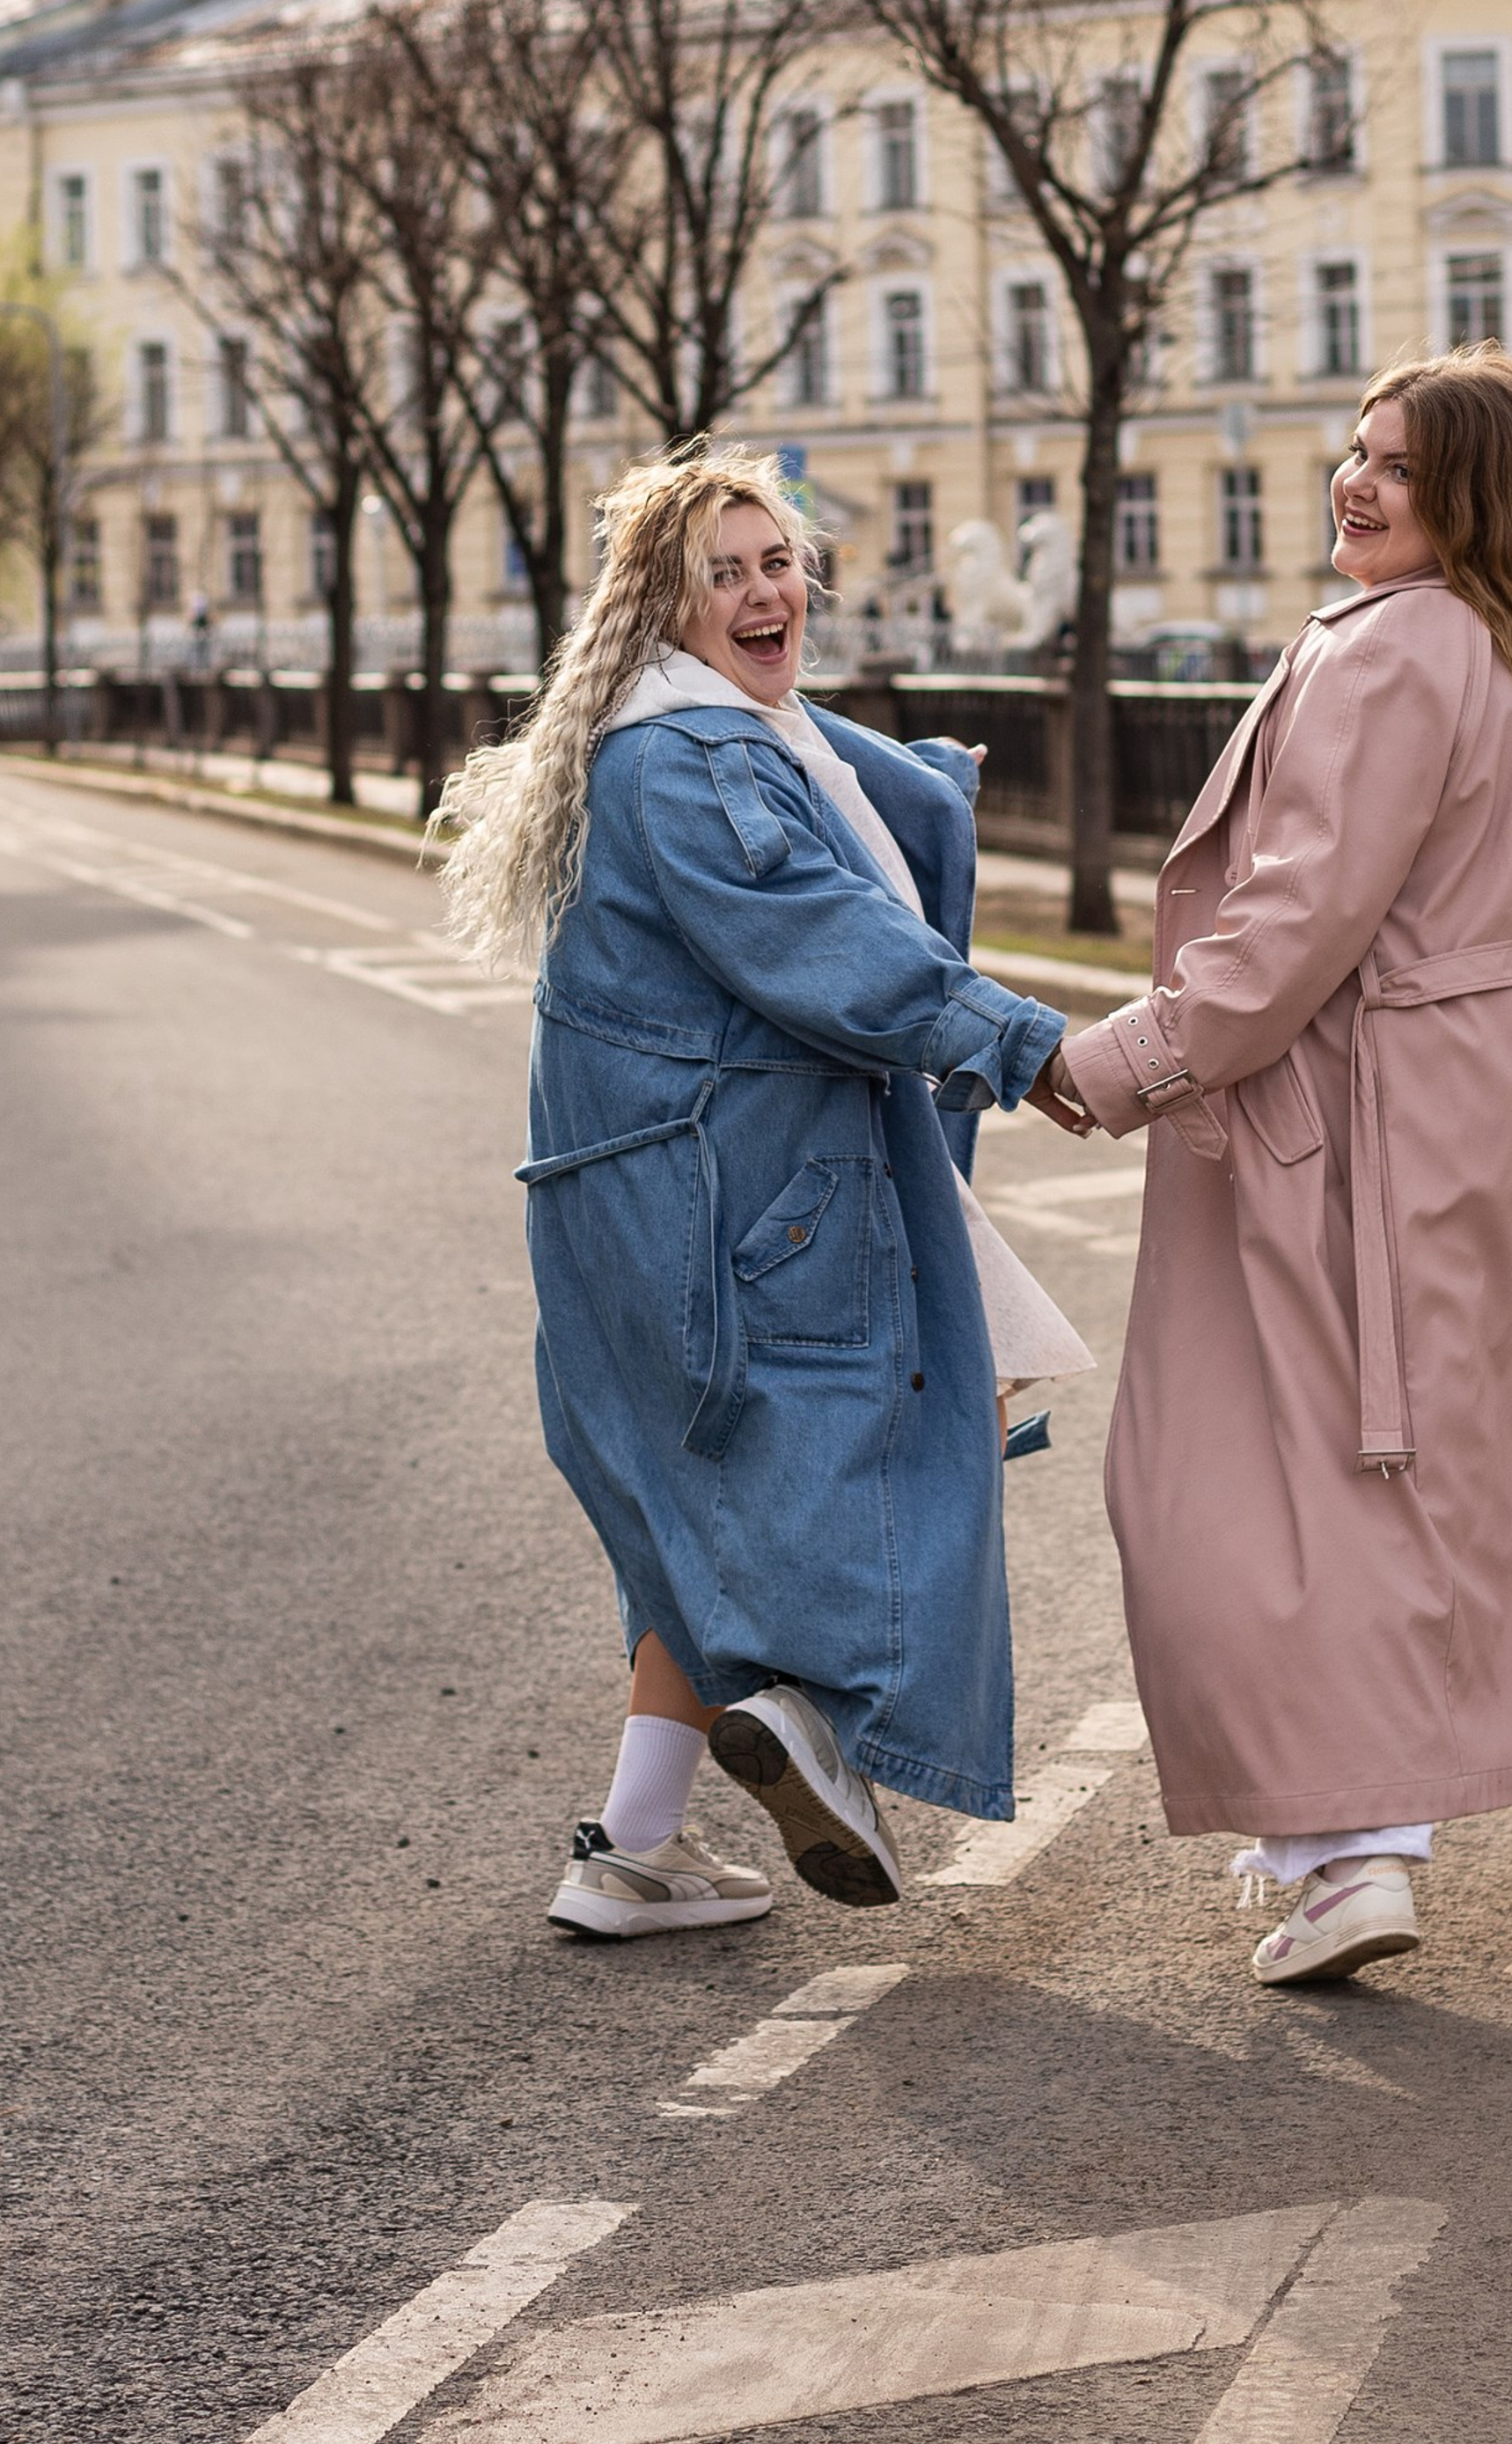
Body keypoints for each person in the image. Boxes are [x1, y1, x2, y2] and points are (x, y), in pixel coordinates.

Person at [1042, 350, 1512, 1983]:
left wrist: (1118, 1064)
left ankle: (1349, 1854)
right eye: (1355, 451)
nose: (1357, 481)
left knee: (1288, 1477)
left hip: (1395, 1117)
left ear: (1472, 495)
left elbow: (1298, 922)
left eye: (1395, 464)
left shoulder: (1388, 652)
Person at [440, 445, 1088, 1937]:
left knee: (694, 1511)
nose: (761, 592)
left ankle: (632, 1850)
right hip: (736, 1195)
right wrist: (1022, 1041)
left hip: (650, 1188)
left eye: (777, 560)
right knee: (885, 1441)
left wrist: (935, 786)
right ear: (660, 611)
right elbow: (811, 931)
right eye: (720, 574)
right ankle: (813, 1726)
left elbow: (837, 779)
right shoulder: (693, 761)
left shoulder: (692, 733)